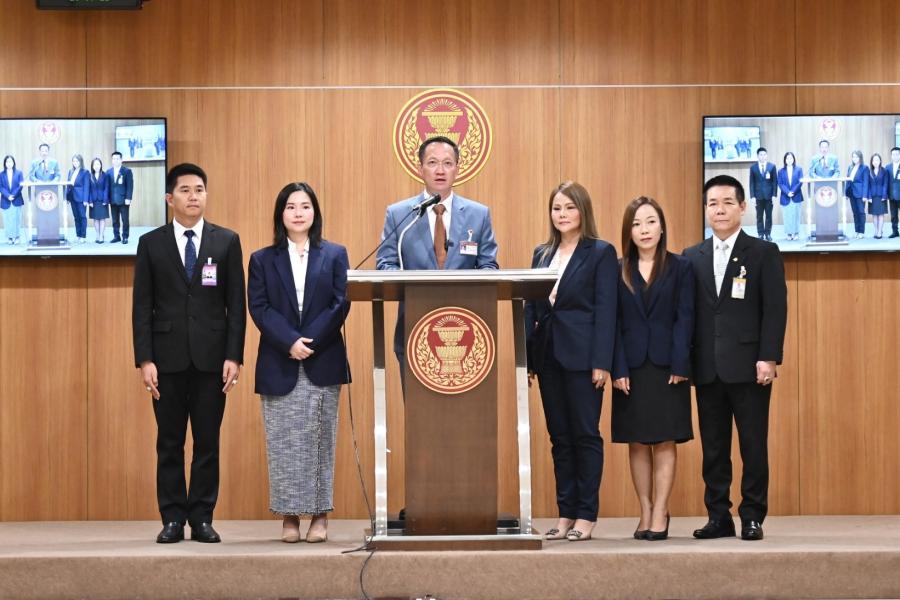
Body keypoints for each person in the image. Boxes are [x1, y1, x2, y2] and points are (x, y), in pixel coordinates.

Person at [132, 163, 246, 544]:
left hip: (213, 360)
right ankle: (171, 518)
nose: (193, 196)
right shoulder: (151, 243)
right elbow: (142, 307)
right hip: (165, 361)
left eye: (199, 189)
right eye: (185, 190)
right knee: (169, 442)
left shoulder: (226, 241)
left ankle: (201, 518)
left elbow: (236, 305)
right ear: (170, 198)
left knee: (207, 442)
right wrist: (145, 360)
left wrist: (234, 356)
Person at [684, 175, 787, 542]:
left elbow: (774, 310)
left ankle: (753, 515)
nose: (720, 209)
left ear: (743, 207)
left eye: (728, 202)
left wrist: (769, 357)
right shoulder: (691, 256)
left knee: (753, 446)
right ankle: (718, 516)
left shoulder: (763, 252)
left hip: (750, 366)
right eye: (713, 203)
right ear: (705, 209)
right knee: (713, 449)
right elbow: (688, 314)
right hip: (707, 368)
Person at [248, 182, 350, 544]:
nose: (298, 213)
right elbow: (259, 307)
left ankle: (320, 516)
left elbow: (340, 303)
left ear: (315, 213)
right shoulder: (262, 259)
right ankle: (289, 516)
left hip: (323, 359)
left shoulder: (335, 254)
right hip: (279, 360)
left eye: (305, 206)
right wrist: (290, 341)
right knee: (284, 444)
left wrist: (310, 341)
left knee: (320, 442)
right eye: (291, 206)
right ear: (281, 214)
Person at [524, 181, 617, 542]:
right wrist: (528, 359)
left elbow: (607, 311)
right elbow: (531, 307)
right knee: (560, 438)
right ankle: (565, 513)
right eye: (556, 208)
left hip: (584, 358)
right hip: (547, 356)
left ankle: (586, 515)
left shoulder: (600, 252)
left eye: (569, 207)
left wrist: (602, 361)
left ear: (583, 210)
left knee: (585, 435)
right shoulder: (542, 253)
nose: (562, 214)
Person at [375, 136, 498, 374]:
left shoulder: (478, 214)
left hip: (466, 325)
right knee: (417, 398)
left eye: (447, 163)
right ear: (420, 168)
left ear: (457, 169)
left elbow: (489, 266)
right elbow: (385, 264)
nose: (440, 170)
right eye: (432, 163)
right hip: (414, 324)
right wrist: (411, 283)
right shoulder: (399, 214)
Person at [611, 196, 693, 542]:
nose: (644, 230)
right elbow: (612, 323)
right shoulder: (617, 269)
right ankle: (644, 509)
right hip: (629, 367)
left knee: (664, 439)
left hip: (668, 366)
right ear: (628, 231)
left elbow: (685, 317)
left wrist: (680, 362)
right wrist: (617, 367)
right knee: (637, 441)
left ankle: (661, 509)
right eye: (636, 224)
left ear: (662, 227)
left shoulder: (681, 266)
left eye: (650, 222)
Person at [748, 148, 777, 241]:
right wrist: (752, 196)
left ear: (766, 155)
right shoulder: (753, 168)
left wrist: (774, 195)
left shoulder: (772, 166)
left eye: (764, 154)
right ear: (758, 156)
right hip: (758, 196)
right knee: (759, 216)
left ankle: (768, 234)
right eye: (761, 155)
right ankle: (760, 234)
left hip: (769, 196)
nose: (763, 156)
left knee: (769, 216)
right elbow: (751, 183)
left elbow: (775, 182)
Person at [107, 151, 134, 244]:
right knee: (115, 220)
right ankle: (116, 236)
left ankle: (125, 236)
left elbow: (130, 186)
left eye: (117, 159)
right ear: (112, 160)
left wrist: (128, 198)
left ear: (121, 160)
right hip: (112, 200)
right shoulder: (108, 172)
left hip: (123, 200)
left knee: (125, 219)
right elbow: (108, 186)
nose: (115, 160)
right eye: (114, 159)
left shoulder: (127, 171)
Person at [777, 152, 804, 241]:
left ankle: (796, 233)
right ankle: (789, 233)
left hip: (796, 195)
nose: (789, 160)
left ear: (793, 159)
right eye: (787, 158)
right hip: (785, 196)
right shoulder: (780, 171)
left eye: (791, 158)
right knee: (787, 216)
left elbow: (800, 182)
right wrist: (788, 192)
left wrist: (793, 191)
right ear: (785, 160)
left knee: (796, 216)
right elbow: (780, 183)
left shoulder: (799, 169)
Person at [65, 154, 90, 244]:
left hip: (81, 198)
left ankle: (83, 236)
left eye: (77, 161)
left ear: (80, 162)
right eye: (73, 161)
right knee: (76, 217)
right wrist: (67, 197)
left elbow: (87, 186)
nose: (75, 163)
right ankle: (78, 235)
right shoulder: (70, 171)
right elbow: (68, 185)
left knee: (82, 217)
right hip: (72, 197)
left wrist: (85, 199)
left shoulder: (85, 172)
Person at [844, 150, 869, 239]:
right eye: (853, 157)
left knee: (861, 212)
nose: (854, 158)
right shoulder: (850, 167)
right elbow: (848, 180)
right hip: (851, 193)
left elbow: (866, 182)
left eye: (856, 157)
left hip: (860, 193)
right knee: (855, 212)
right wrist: (846, 193)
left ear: (860, 158)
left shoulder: (864, 168)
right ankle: (856, 231)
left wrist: (865, 195)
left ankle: (861, 232)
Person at [1, 155, 24, 245]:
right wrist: (8, 196)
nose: (9, 163)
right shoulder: (1, 174)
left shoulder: (19, 173)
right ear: (5, 163)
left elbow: (20, 185)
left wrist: (13, 195)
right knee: (7, 220)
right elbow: (1, 187)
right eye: (7, 162)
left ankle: (17, 236)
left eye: (10, 161)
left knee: (16, 219)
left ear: (13, 162)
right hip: (5, 200)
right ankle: (10, 237)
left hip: (16, 198)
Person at [88, 157, 110, 243]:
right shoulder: (90, 175)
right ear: (92, 166)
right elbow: (89, 189)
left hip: (102, 200)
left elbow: (106, 188)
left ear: (101, 165)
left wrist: (105, 200)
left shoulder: (105, 175)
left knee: (102, 219)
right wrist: (90, 201)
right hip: (93, 201)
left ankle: (101, 235)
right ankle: (97, 235)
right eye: (95, 164)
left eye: (98, 164)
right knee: (96, 219)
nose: (96, 166)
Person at [866, 153, 888, 239]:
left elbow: (885, 184)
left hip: (881, 196)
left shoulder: (884, 171)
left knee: (881, 215)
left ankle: (879, 232)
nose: (875, 162)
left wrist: (884, 195)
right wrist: (869, 196)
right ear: (871, 162)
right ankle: (876, 230)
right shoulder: (869, 171)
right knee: (874, 215)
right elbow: (868, 185)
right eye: (874, 160)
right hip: (872, 196)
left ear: (880, 161)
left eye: (877, 160)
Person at [884, 147, 900, 239]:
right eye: (893, 154)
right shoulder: (888, 167)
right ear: (891, 156)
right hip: (891, 195)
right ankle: (895, 231)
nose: (895, 156)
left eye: (897, 154)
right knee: (893, 215)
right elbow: (886, 182)